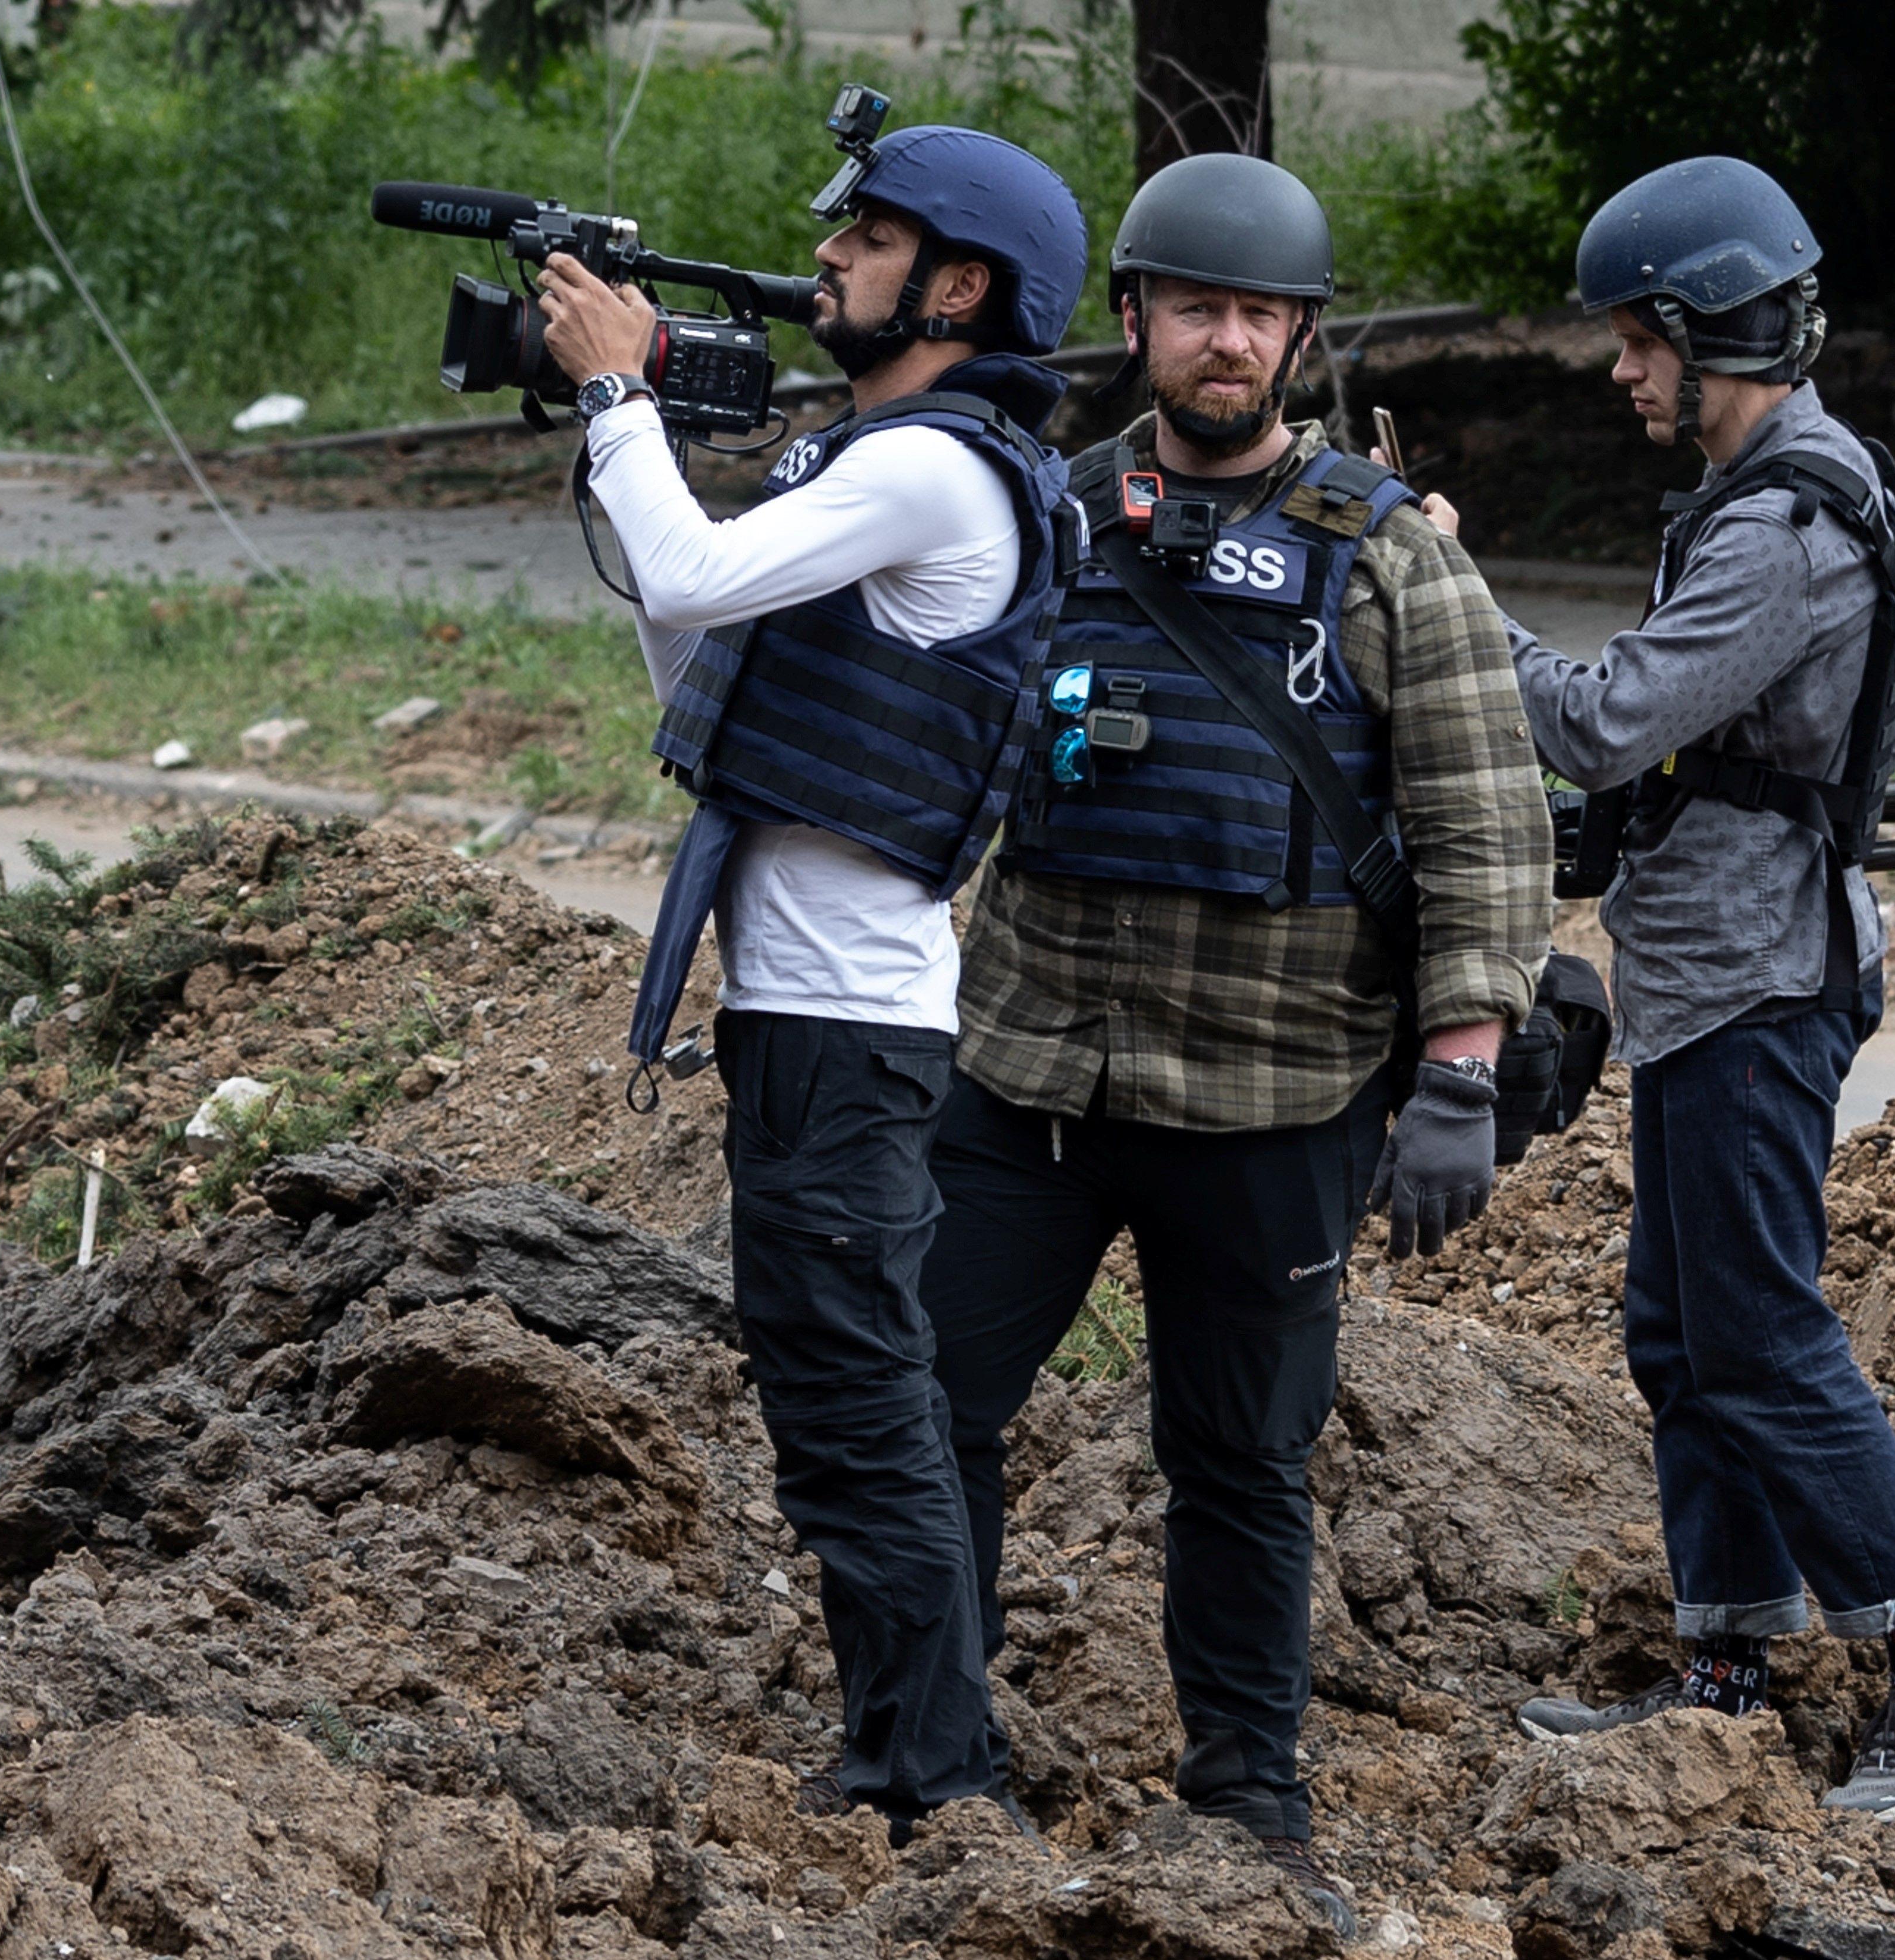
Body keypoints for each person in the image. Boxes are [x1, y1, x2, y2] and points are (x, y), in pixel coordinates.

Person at [915, 152, 1554, 1931]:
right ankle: (930, 1756)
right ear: (1135, 320)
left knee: (1244, 1462)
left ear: (1298, 340)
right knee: (930, 1406)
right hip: (1034, 1072)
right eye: (1196, 307)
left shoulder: (1387, 558)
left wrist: (1459, 1071)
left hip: (1276, 1099)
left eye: (1260, 315)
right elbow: (935, 753)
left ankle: (1251, 1803)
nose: (1228, 341)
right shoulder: (1041, 511)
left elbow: (1491, 819)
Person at [534, 116, 1088, 1841]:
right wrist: (616, 440)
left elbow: (692, 563)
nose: (831, 257)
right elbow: (697, 642)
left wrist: (624, 398)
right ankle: (902, 1753)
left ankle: (939, 1775)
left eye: (870, 236)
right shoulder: (861, 460)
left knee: (863, 1407)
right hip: (799, 1020)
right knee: (833, 1400)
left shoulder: (933, 470)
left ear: (961, 285)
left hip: (855, 1038)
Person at [1472, 156, 1895, 1826]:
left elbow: (1596, 718)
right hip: (1723, 965)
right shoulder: (1784, 487)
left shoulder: (1789, 521)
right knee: (1682, 1332)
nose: (1622, 374)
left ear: (1721, 333)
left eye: (1641, 344)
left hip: (1759, 981)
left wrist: (1445, 599)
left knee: (1763, 1334)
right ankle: (1725, 1676)